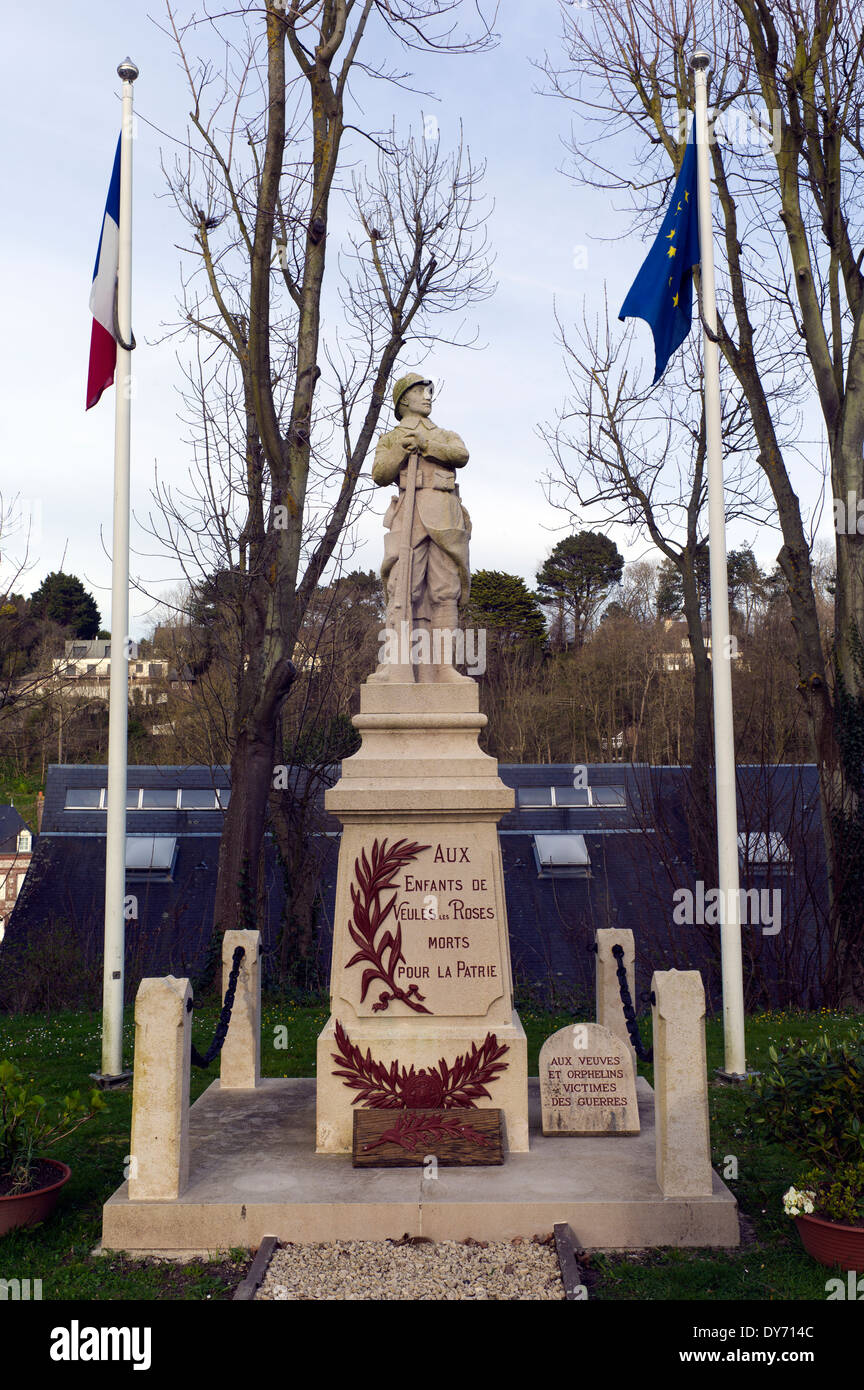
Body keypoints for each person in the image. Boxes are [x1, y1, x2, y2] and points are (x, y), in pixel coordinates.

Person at [368, 372, 472, 683]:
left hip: (445, 516)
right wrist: (402, 449)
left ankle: (443, 669)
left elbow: (461, 455)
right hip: (409, 516)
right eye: (420, 391)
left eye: (429, 392)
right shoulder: (390, 437)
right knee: (402, 588)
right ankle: (395, 664)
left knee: (445, 591)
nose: (427, 396)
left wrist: (425, 444)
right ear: (403, 400)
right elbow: (379, 473)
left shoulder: (445, 435)